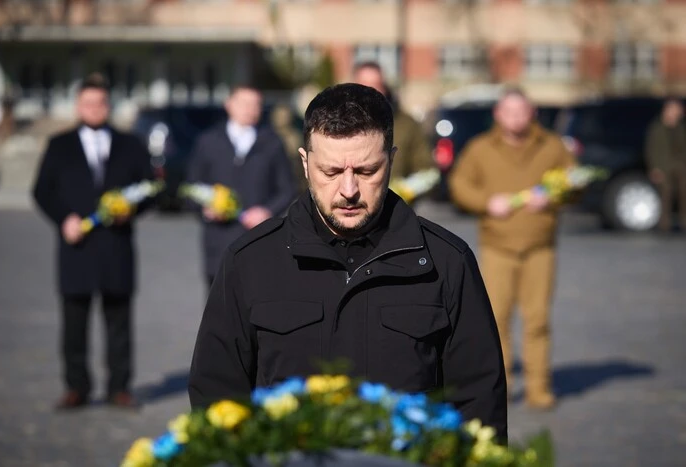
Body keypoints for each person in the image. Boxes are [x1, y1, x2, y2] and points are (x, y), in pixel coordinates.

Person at [189, 83, 507, 439]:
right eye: (331, 172)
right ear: (306, 163)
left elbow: (479, 403)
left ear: (392, 158)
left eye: (367, 171)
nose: (349, 190)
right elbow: (216, 395)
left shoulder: (447, 261)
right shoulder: (249, 261)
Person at [32, 73, 154, 410]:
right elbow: (42, 190)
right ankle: (76, 387)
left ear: (108, 105)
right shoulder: (59, 145)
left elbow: (149, 189)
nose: (95, 108)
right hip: (76, 248)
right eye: (88, 103)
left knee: (119, 322)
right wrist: (63, 219)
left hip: (117, 246)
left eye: (100, 103)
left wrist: (132, 211)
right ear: (78, 106)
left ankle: (120, 387)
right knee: (74, 323)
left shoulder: (131, 144)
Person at [449, 87, 575, 410]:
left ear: (532, 113)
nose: (516, 118)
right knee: (495, 322)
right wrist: (486, 203)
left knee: (537, 320)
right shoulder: (480, 148)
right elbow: (459, 185)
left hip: (539, 247)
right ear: (498, 115)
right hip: (497, 248)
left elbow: (576, 182)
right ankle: (499, 389)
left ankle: (539, 389)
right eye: (509, 112)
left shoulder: (552, 146)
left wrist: (555, 196)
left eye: (522, 112)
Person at [186, 84, 296, 291]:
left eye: (256, 104)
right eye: (244, 103)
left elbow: (287, 188)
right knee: (219, 315)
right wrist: (205, 209)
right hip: (219, 243)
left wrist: (268, 211)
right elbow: (191, 187)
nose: (250, 109)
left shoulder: (272, 143)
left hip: (259, 241)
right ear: (229, 104)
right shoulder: (208, 141)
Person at [352, 61, 433, 180]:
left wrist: (404, 190)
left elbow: (427, 171)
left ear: (384, 88)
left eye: (376, 85)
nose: (369, 91)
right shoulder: (334, 125)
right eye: (362, 85)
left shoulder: (407, 125)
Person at [645, 97, 686, 233]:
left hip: (680, 164)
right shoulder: (657, 127)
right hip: (663, 165)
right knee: (666, 194)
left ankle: (683, 221)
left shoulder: (680, 127)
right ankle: (664, 224)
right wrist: (654, 168)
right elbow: (651, 149)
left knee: (683, 192)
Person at [270, 102, 307, 195]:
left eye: (284, 116)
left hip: (294, 180)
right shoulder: (268, 137)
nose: (281, 119)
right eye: (279, 115)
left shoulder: (295, 137)